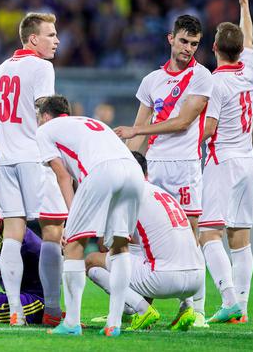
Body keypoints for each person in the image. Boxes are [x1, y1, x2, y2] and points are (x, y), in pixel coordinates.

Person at [114, 14, 213, 325]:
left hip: (184, 166)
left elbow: (183, 122)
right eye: (184, 41)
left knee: (190, 234)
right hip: (154, 166)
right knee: (144, 238)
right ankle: (141, 308)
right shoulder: (151, 81)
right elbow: (140, 128)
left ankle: (193, 309)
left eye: (194, 44)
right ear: (171, 38)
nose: (188, 49)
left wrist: (135, 131)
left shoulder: (201, 77)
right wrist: (128, 168)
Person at [36, 95, 144, 337]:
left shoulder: (45, 130)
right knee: (120, 245)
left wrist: (71, 220)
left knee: (73, 244)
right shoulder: (88, 122)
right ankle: (114, 324)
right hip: (133, 171)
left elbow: (64, 176)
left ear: (44, 116)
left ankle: (72, 323)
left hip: (103, 171)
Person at [0, 12, 71, 326]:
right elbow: (45, 115)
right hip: (34, 158)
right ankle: (51, 309)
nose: (57, 40)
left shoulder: (0, 70)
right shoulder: (42, 67)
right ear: (33, 39)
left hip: (8, 159)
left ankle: (15, 312)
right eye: (51, 35)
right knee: (53, 230)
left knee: (12, 234)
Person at [86, 151, 205, 332]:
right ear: (146, 173)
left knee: (92, 261)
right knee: (149, 252)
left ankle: (142, 310)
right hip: (197, 280)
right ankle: (186, 308)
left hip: (165, 278)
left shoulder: (127, 194)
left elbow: (110, 245)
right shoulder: (162, 193)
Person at [200, 0, 253, 324]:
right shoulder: (249, 71)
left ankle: (228, 299)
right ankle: (243, 309)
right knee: (240, 237)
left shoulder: (215, 82)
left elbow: (208, 129)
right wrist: (245, 6)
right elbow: (247, 37)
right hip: (248, 162)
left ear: (215, 48)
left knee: (208, 233)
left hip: (222, 162)